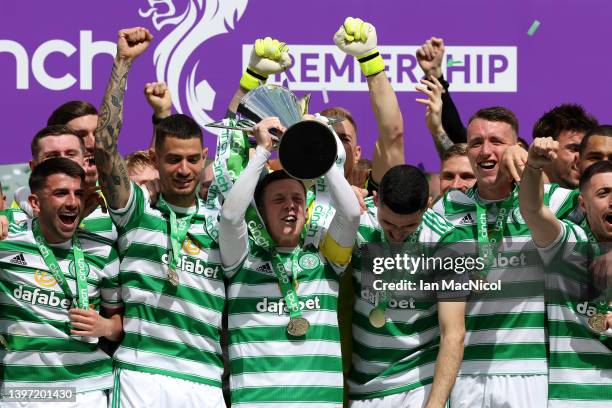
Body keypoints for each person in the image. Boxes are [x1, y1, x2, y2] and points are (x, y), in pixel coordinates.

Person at [94, 27, 224, 407]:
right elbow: (104, 145)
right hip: (141, 374)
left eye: (191, 159)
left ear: (204, 159)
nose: (183, 169)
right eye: (172, 159)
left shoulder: (223, 225)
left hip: (204, 380)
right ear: (156, 160)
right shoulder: (137, 211)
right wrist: (123, 63)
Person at [433, 106, 577, 408]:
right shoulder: (447, 207)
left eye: (497, 142)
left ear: (515, 147)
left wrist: (533, 163)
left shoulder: (554, 199)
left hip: (528, 371)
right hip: (465, 372)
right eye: (476, 142)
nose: (485, 151)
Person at [218, 116, 361, 406]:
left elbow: (351, 214)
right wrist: (262, 152)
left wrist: (319, 146)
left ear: (307, 211)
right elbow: (232, 216)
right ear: (260, 209)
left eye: (297, 199)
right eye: (278, 200)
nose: (290, 207)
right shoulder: (241, 259)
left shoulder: (325, 258)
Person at [0, 157, 121, 408]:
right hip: (21, 390)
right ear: (35, 203)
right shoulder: (7, 242)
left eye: (78, 193)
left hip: (86, 389)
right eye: (61, 193)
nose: (73, 202)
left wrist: (106, 327)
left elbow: (121, 321)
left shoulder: (102, 252)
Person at [348, 164, 467, 407]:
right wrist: (340, 191)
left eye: (409, 226)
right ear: (376, 198)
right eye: (388, 224)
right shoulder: (356, 218)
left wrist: (434, 404)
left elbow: (453, 333)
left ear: (428, 205)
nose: (397, 235)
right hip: (362, 387)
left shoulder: (444, 240)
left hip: (417, 384)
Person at [519, 139, 612, 407]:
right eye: (603, 193)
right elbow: (533, 209)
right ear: (582, 204)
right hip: (569, 401)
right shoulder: (568, 247)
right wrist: (534, 166)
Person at [11, 125, 115, 241]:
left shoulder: (115, 204)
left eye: (70, 154)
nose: (63, 161)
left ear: (85, 163)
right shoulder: (18, 206)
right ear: (34, 167)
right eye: (52, 156)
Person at [531, 104, 598, 189]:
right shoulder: (516, 195)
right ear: (544, 149)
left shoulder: (601, 199)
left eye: (586, 150)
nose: (582, 157)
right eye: (574, 149)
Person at [47, 100, 99, 187]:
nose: (92, 144)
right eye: (80, 135)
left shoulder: (118, 196)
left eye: (97, 134)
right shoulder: (28, 198)